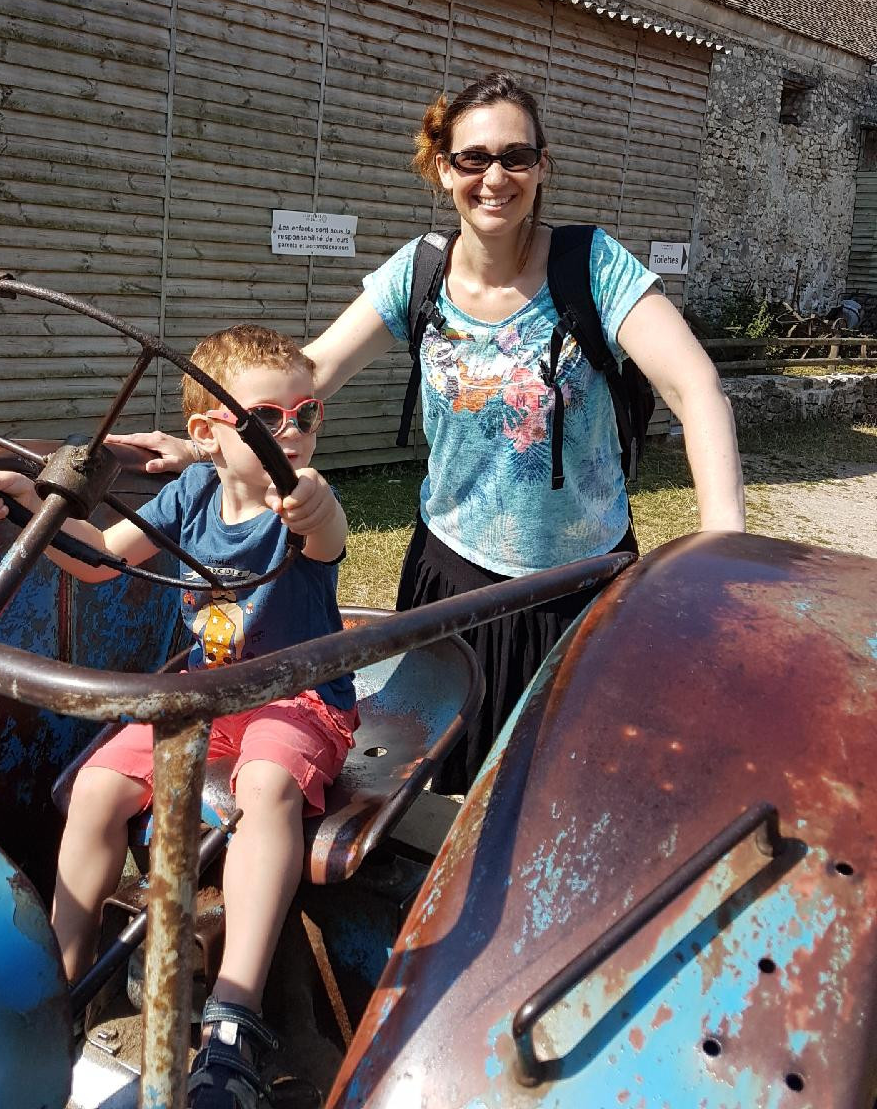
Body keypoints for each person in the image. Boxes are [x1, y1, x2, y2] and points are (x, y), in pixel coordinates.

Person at [112, 70, 745, 794]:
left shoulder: (592, 266)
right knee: (434, 783)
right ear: (444, 169)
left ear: (543, 165)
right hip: (451, 578)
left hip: (578, 581)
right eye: (474, 158)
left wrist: (723, 547)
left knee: (556, 786)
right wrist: (204, 442)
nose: (495, 177)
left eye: (516, 156)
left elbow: (696, 388)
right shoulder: (417, 274)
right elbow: (308, 374)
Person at [0, 325, 355, 1108]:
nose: (295, 434)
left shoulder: (306, 500)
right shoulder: (192, 493)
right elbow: (101, 558)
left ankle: (235, 1012)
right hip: (200, 696)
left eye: (307, 414)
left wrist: (312, 500)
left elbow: (325, 526)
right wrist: (30, 506)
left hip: (295, 693)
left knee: (269, 783)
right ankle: (64, 993)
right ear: (206, 433)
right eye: (268, 419)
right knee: (100, 788)